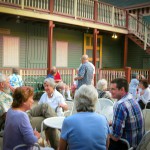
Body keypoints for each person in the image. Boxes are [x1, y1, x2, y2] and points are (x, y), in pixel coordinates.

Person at [59, 85, 110, 150]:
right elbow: (107, 146)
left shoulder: (68, 121)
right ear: (95, 101)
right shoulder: (103, 119)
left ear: (76, 100)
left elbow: (61, 148)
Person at [109, 78, 144, 150]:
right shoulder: (132, 98)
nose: (110, 91)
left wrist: (103, 131)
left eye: (113, 89)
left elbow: (116, 137)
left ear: (122, 90)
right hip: (139, 143)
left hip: (126, 145)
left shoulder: (120, 105)